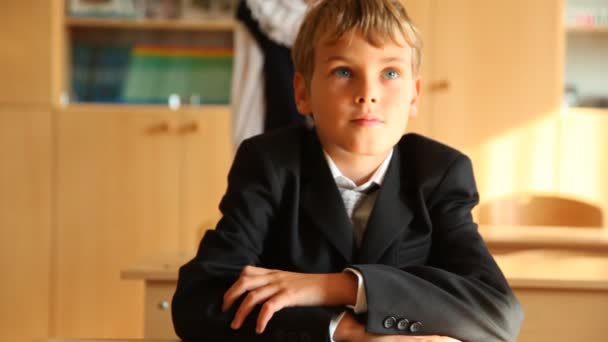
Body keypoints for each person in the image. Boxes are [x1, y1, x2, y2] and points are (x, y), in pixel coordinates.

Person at [172, 0, 524, 341]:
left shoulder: (439, 172)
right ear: (302, 93)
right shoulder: (268, 164)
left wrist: (334, 286)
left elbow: (496, 313)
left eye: (390, 72)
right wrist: (343, 330)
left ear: (415, 95)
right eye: (343, 71)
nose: (367, 93)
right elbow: (198, 302)